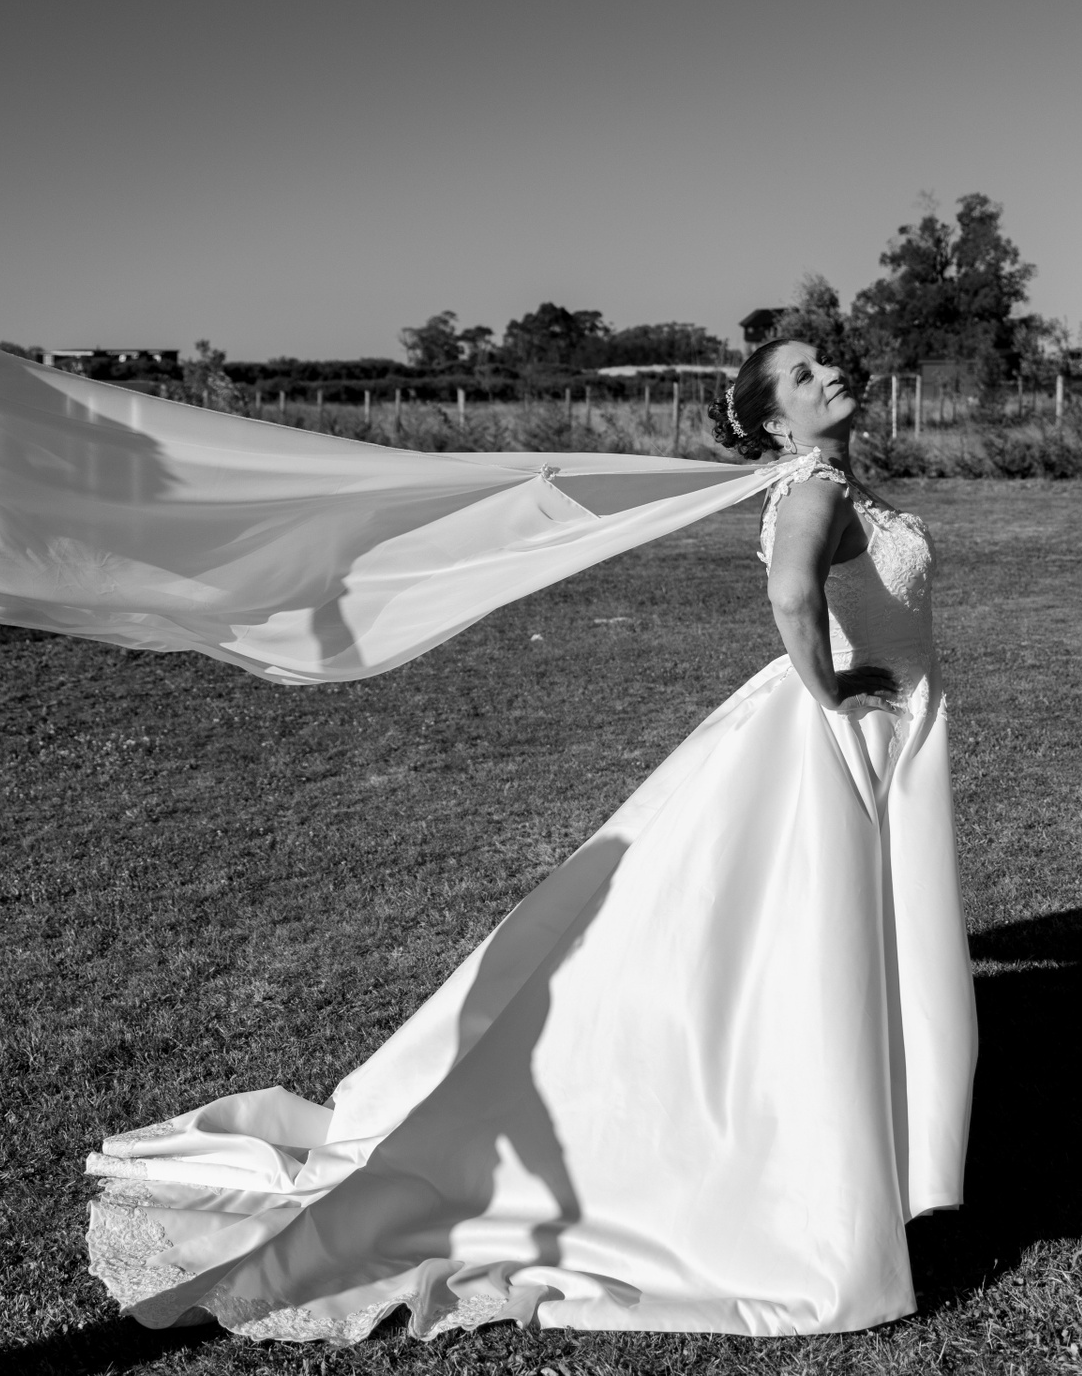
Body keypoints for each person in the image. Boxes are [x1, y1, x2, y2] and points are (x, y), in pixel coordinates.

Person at [84, 338, 978, 1343]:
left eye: (824, 362)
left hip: (876, 721)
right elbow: (791, 594)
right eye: (802, 376)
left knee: (824, 937)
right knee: (821, 938)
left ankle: (863, 1132)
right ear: (776, 422)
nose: (828, 376)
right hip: (842, 731)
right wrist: (831, 692)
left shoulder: (833, 481)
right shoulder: (812, 487)